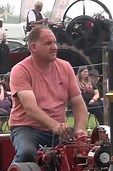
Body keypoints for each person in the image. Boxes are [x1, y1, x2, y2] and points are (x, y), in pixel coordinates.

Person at [9, 25, 88, 163]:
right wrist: (55, 126)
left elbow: (78, 103)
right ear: (34, 47)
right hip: (27, 128)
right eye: (48, 43)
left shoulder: (65, 67)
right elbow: (30, 108)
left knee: (82, 157)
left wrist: (80, 129)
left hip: (58, 131)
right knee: (27, 154)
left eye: (54, 42)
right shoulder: (20, 70)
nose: (54, 47)